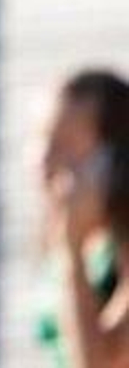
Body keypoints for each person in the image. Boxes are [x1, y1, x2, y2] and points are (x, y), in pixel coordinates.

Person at [39, 68, 129, 366]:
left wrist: (72, 251)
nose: (45, 161)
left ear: (111, 160)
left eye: (65, 145)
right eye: (42, 140)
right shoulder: (65, 237)